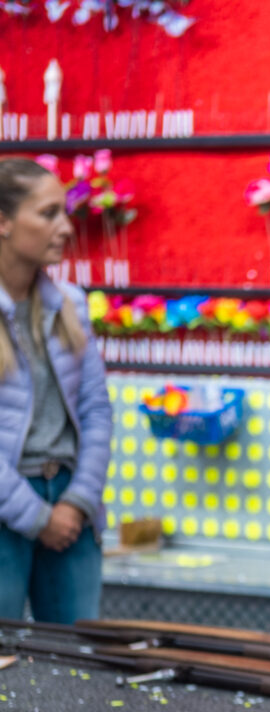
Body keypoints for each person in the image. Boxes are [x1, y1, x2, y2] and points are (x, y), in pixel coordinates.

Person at [0, 158, 112, 623]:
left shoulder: (71, 305)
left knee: (74, 664)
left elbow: (96, 412)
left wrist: (76, 501)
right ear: (3, 222)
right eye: (48, 214)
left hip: (72, 510)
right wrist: (37, 517)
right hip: (8, 507)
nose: (65, 228)